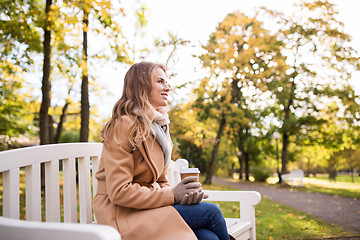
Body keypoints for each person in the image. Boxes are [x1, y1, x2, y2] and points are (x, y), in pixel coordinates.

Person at [93, 62, 233, 240]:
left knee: (207, 236)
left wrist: (183, 196)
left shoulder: (157, 127)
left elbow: (160, 180)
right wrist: (173, 195)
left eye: (166, 82)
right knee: (211, 211)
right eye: (160, 81)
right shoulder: (124, 124)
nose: (167, 87)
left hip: (147, 207)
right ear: (142, 85)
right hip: (121, 214)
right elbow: (119, 192)